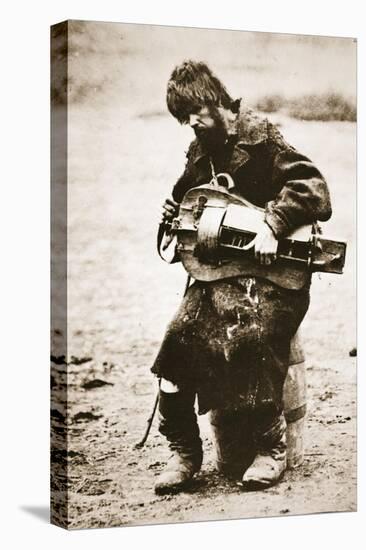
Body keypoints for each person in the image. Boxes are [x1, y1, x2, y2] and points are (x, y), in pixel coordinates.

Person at [151, 60, 332, 494]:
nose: (190, 122)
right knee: (176, 341)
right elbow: (190, 199)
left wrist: (274, 222)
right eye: (183, 117)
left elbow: (314, 188)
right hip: (220, 278)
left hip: (276, 277)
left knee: (250, 337)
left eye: (195, 111)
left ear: (215, 99)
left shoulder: (262, 138)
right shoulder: (202, 148)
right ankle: (184, 453)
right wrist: (174, 213)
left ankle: (270, 449)